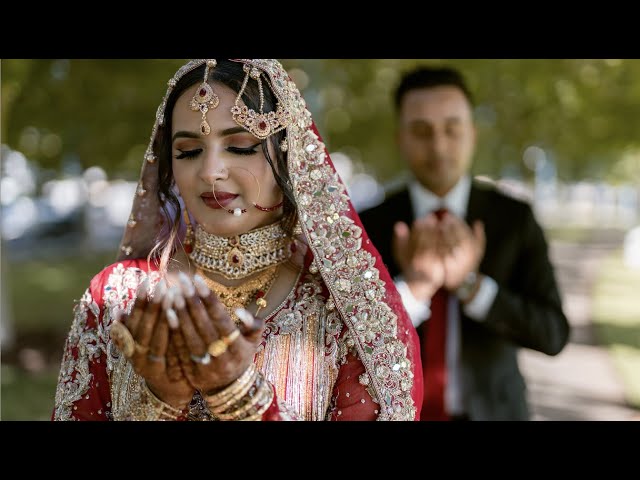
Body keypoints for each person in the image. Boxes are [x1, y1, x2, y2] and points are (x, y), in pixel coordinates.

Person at [52, 59, 422, 421]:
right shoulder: (116, 297)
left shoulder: (347, 310)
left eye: (241, 146)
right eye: (189, 151)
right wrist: (160, 401)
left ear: (288, 153)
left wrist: (239, 395)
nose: (210, 171)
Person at [358, 65, 570, 421]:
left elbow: (552, 334)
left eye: (452, 129)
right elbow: (347, 342)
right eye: (421, 131)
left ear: (472, 133)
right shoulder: (366, 224)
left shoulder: (514, 218)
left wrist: (472, 286)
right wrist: (413, 289)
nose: (438, 145)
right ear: (400, 138)